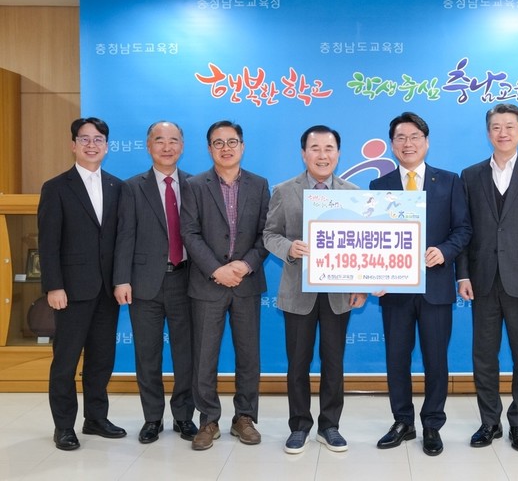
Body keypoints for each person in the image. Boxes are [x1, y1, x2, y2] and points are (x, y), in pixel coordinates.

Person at [457, 103, 518, 452]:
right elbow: (464, 230)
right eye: (496, 127)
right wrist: (462, 275)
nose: (503, 133)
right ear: (488, 133)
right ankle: (489, 422)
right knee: (484, 356)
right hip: (482, 280)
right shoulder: (470, 175)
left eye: (509, 127)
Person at [370, 112, 472, 457]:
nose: (408, 143)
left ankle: (432, 424)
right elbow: (372, 238)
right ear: (392, 144)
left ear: (426, 142)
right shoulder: (379, 186)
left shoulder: (450, 181)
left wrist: (444, 251)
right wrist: (372, 274)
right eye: (401, 137)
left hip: (436, 287)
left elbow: (463, 229)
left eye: (415, 137)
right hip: (394, 289)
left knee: (436, 360)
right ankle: (403, 422)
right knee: (396, 359)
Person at [263, 125, 367, 454]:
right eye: (315, 148)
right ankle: (299, 426)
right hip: (298, 291)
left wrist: (362, 284)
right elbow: (269, 234)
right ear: (303, 153)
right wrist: (290, 248)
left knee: (333, 362)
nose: (322, 155)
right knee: (298, 363)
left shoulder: (353, 193)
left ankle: (329, 426)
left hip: (339, 293)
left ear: (338, 153)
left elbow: (362, 244)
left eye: (329, 148)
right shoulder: (284, 190)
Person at [38, 117, 128, 450]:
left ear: (107, 146)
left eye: (98, 139)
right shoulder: (56, 187)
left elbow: (121, 239)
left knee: (101, 359)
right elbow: (48, 242)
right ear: (73, 145)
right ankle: (64, 426)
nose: (92, 145)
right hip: (71, 290)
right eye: (85, 139)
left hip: (107, 290)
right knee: (65, 361)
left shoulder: (118, 186)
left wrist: (121, 280)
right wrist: (53, 286)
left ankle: (95, 418)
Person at [180, 120, 270, 451]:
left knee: (249, 355)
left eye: (232, 142)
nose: (226, 148)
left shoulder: (259, 185)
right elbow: (189, 232)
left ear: (242, 146)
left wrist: (245, 265)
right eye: (218, 143)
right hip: (208, 283)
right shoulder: (194, 185)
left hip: (246, 282)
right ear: (209, 149)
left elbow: (266, 232)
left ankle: (244, 417)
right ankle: (208, 419)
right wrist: (217, 270)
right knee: (204, 356)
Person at [113, 121, 198, 444]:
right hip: (144, 282)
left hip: (187, 281)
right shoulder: (132, 187)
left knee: (186, 354)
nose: (166, 147)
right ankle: (152, 418)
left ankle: (183, 416)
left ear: (182, 146)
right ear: (148, 146)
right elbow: (125, 237)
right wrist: (122, 279)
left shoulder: (195, 184)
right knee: (147, 355)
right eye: (159, 140)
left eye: (173, 140)